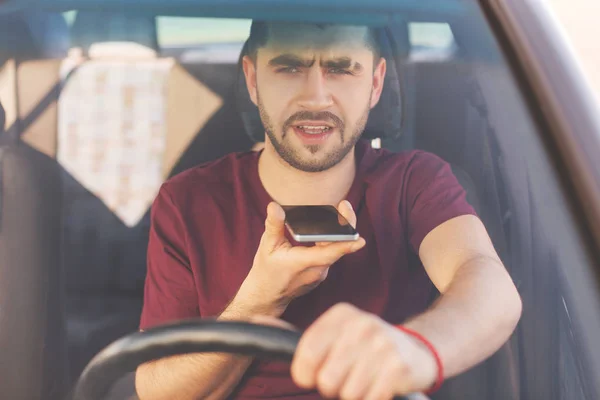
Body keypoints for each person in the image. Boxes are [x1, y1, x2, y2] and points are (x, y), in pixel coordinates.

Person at [135, 21, 522, 400]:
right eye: (289, 67)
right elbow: (157, 391)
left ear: (375, 83)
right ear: (252, 81)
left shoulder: (415, 182)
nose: (316, 98)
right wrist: (259, 299)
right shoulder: (189, 201)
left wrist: (415, 348)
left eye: (341, 68)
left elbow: (489, 286)